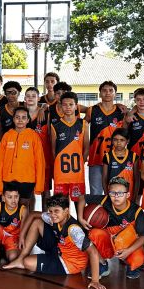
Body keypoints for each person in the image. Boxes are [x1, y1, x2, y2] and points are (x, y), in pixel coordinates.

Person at [2, 194, 88, 276]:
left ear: (66, 211)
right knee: (37, 222)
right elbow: (33, 214)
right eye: (50, 211)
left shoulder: (74, 230)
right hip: (60, 250)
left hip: (70, 263)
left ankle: (25, 261)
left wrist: (95, 281)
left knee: (27, 262)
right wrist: (22, 235)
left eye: (56, 211)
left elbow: (93, 252)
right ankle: (20, 259)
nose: (53, 214)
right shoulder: (54, 218)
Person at [86, 177, 144, 280]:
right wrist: (80, 216)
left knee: (138, 258)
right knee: (93, 233)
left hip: (127, 244)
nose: (116, 196)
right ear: (108, 193)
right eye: (112, 193)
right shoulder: (105, 200)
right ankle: (102, 263)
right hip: (109, 241)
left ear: (127, 195)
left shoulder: (136, 211)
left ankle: (132, 266)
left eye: (120, 193)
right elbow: (82, 198)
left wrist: (128, 251)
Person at [50, 91, 88, 223]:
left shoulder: (83, 124)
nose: (67, 107)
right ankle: (64, 230)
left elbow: (86, 147)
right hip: (61, 174)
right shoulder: (55, 126)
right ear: (60, 107)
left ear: (76, 106)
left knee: (79, 202)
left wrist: (80, 163)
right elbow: (53, 150)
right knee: (62, 204)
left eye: (71, 104)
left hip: (77, 172)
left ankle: (81, 227)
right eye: (64, 105)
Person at [0, 107, 45, 208]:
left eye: (23, 117)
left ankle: (25, 224)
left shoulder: (33, 136)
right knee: (9, 208)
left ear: (28, 120)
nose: (20, 120)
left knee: (24, 208)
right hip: (8, 180)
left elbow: (40, 161)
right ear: (13, 119)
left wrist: (39, 185)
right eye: (17, 117)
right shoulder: (7, 136)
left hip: (27, 180)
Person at [86, 81, 127, 195]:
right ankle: (97, 213)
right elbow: (81, 130)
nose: (107, 93)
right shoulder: (92, 110)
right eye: (104, 90)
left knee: (115, 191)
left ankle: (112, 213)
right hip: (96, 158)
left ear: (115, 94)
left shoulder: (121, 112)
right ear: (100, 94)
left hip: (115, 157)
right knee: (96, 193)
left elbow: (125, 133)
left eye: (111, 90)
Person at [102, 128, 139, 197]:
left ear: (127, 141)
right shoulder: (107, 156)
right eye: (115, 140)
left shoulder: (133, 156)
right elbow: (104, 179)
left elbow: (137, 179)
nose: (118, 143)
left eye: (122, 140)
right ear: (112, 141)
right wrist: (107, 195)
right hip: (113, 195)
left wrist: (134, 197)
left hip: (128, 195)